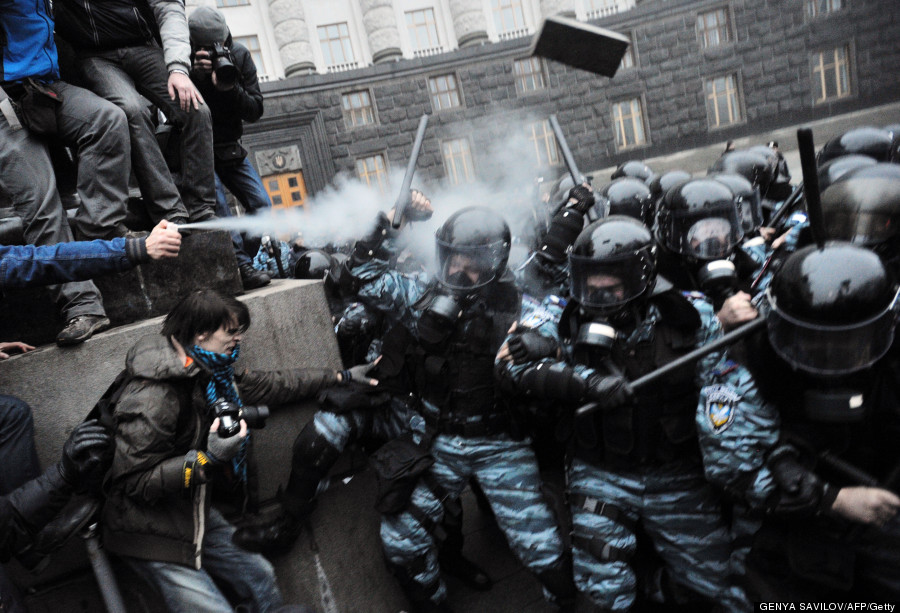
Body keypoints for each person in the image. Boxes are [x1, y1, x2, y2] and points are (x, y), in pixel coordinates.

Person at [322, 202, 575, 612]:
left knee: (545, 554)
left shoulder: (519, 300)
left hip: (501, 446)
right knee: (400, 542)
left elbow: (558, 326)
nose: (461, 270)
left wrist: (540, 343)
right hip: (441, 442)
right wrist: (385, 225)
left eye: (472, 263)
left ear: (494, 262)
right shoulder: (424, 292)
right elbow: (362, 278)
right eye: (453, 259)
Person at [497, 216, 750, 611]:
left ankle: (658, 583)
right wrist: (585, 382)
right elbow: (508, 366)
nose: (597, 289)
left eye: (611, 279)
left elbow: (724, 386)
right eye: (589, 278)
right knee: (602, 593)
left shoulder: (692, 315)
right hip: (601, 474)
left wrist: (728, 453)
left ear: (642, 276)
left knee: (722, 588)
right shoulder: (561, 312)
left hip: (676, 472)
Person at [99, 288, 352, 612]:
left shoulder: (209, 374)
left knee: (258, 575)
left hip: (190, 512)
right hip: (147, 531)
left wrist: (340, 376)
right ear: (201, 334)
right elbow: (133, 482)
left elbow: (269, 384)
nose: (239, 339)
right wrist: (209, 459)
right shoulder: (155, 396)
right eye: (231, 332)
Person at [696, 242, 900, 601]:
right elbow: (731, 468)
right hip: (788, 513)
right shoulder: (746, 363)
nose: (832, 357)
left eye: (851, 342)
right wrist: (833, 500)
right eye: (815, 342)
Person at [0, 2, 135, 344]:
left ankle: (99, 230)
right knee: (42, 206)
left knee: (108, 119)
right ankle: (81, 306)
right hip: (4, 101)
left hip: (45, 87)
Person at [54, 0, 217, 225]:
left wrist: (178, 68)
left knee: (196, 109)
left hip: (144, 46)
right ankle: (169, 210)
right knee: (131, 110)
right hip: (95, 56)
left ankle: (200, 208)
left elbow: (169, 7)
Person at [188, 6, 273, 290]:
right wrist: (196, 78)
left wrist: (230, 88)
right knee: (221, 210)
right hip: (197, 150)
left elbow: (255, 109)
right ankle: (240, 267)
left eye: (220, 44)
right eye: (207, 47)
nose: (216, 51)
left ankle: (239, 263)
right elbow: (173, 108)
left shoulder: (239, 55)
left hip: (230, 148)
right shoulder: (183, 61)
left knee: (261, 204)